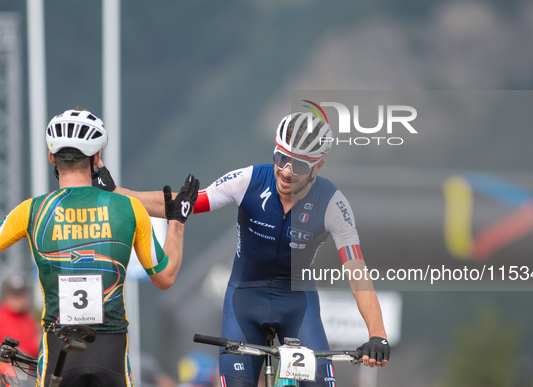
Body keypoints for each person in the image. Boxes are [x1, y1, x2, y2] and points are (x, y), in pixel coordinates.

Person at [94, 113, 390, 387]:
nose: (286, 172)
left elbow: (357, 273)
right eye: (281, 158)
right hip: (245, 300)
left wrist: (377, 334)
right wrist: (117, 193)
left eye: (298, 165)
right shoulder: (249, 180)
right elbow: (181, 205)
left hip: (298, 305)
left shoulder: (332, 204)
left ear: (318, 166)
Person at [0, 108, 198, 387]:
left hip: (59, 349)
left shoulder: (33, 210)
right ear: (96, 159)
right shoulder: (129, 208)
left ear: (51, 157)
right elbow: (165, 278)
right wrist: (177, 224)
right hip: (112, 350)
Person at [0, 275, 41, 357]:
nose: (19, 300)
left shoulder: (28, 316)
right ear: (6, 296)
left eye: (21, 295)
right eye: (14, 296)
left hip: (29, 363)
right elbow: (19, 348)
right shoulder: (2, 317)